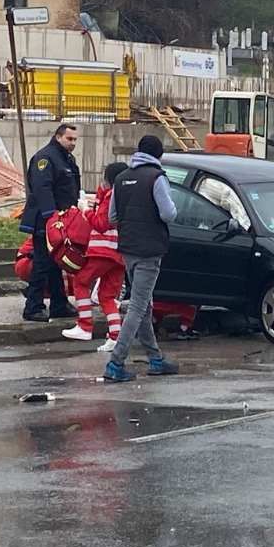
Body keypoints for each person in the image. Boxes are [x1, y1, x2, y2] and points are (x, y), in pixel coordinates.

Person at [104, 134, 180, 381]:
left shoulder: (122, 178)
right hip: (150, 250)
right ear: (159, 155)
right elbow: (168, 214)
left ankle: (156, 359)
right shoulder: (157, 178)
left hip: (128, 249)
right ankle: (115, 363)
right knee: (137, 307)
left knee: (144, 305)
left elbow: (112, 217)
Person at [20, 123, 82, 321]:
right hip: (45, 220)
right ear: (58, 137)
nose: (73, 143)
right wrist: (51, 216)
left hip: (61, 219)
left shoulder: (66, 159)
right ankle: (33, 307)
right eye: (69, 139)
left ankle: (59, 303)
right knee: (42, 262)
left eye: (75, 140)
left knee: (56, 262)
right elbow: (42, 188)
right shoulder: (46, 158)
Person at [65, 161, 126, 347]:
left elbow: (101, 223)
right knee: (107, 296)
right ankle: (116, 336)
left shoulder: (111, 197)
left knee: (80, 281)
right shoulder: (126, 196)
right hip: (120, 254)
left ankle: (84, 326)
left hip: (103, 250)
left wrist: (86, 210)